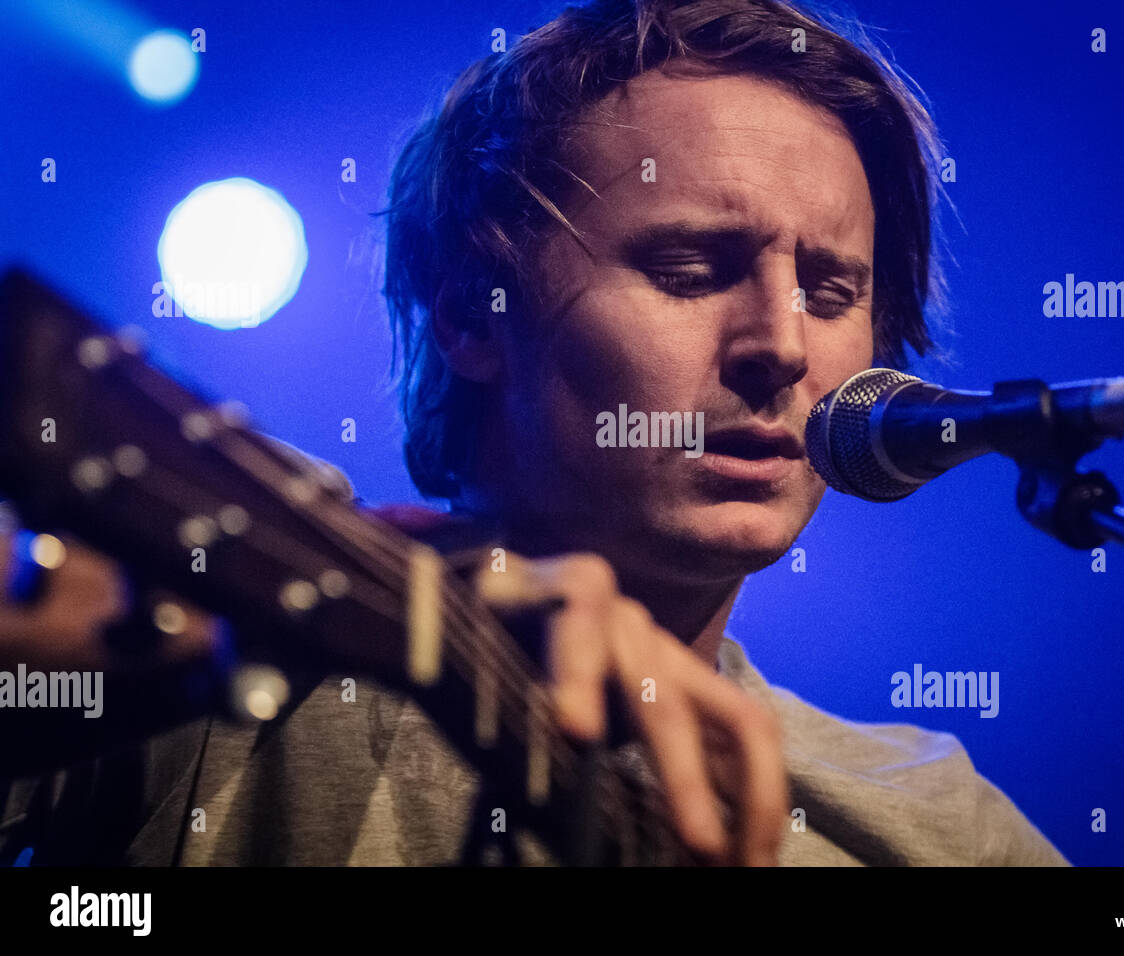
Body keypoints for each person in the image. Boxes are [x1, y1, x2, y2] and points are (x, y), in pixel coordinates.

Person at [0, 0, 1067, 866]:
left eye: (829, 290)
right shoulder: (233, 628)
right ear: (472, 310)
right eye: (689, 271)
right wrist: (402, 594)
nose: (781, 346)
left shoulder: (938, 822)